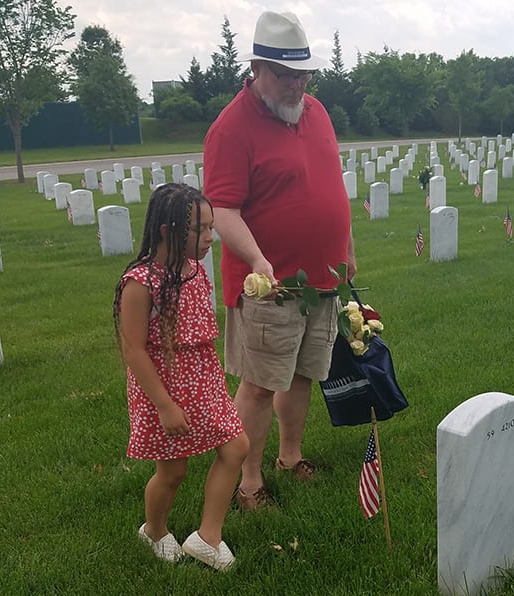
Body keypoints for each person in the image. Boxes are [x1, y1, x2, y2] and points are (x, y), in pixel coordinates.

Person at [202, 11, 356, 511]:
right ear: (257, 68)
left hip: (322, 280)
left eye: (303, 73)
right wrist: (258, 259)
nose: (297, 84)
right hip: (269, 283)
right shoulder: (231, 127)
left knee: (304, 373)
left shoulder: (317, 113)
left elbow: (334, 189)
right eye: (286, 74)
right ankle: (248, 483)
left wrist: (346, 248)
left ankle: (290, 457)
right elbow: (222, 211)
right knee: (261, 384)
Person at [113, 183, 249, 569]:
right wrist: (165, 405)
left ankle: (208, 538)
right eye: (200, 230)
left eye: (211, 227)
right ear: (166, 231)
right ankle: (154, 530)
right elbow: (133, 350)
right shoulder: (141, 283)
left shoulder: (193, 269)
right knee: (172, 472)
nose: (210, 237)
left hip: (204, 382)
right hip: (163, 390)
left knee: (236, 447)